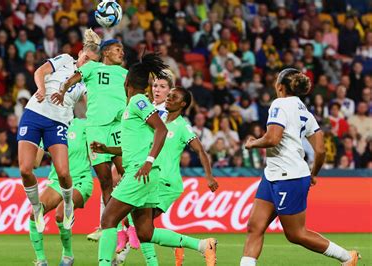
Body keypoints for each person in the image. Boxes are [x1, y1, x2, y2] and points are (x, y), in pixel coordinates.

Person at [89, 53, 217, 266]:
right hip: (147, 175)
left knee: (108, 220)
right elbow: (134, 145)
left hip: (140, 172)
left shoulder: (138, 101)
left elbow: (161, 129)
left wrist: (148, 161)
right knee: (145, 233)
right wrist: (106, 148)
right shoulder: (133, 107)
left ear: (127, 82)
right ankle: (202, 246)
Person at [240, 68, 360, 266]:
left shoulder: (279, 103)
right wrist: (313, 174)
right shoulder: (305, 111)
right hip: (273, 175)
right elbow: (320, 150)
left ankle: (347, 257)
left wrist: (253, 142)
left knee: (296, 234)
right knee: (255, 226)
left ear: (279, 87)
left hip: (288, 177)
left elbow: (272, 138)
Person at [17, 29, 100, 234]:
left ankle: (69, 204)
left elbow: (92, 107)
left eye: (92, 62)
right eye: (86, 58)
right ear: (80, 53)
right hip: (34, 113)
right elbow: (39, 72)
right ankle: (37, 208)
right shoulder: (64, 59)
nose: (87, 63)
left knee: (63, 172)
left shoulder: (85, 82)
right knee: (26, 169)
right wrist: (42, 89)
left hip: (59, 123)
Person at [52, 39, 128, 240]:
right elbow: (75, 77)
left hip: (118, 126)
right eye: (117, 49)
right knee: (105, 182)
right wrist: (62, 89)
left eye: (122, 50)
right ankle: (111, 228)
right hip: (95, 129)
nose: (122, 53)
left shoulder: (125, 74)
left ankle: (129, 224)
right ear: (106, 52)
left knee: (126, 173)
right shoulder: (93, 67)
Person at [29, 118, 93, 266]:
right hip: (57, 181)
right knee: (35, 213)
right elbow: (35, 163)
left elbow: (94, 154)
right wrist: (32, 139)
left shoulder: (82, 125)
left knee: (61, 214)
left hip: (80, 180)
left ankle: (68, 255)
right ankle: (41, 260)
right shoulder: (48, 128)